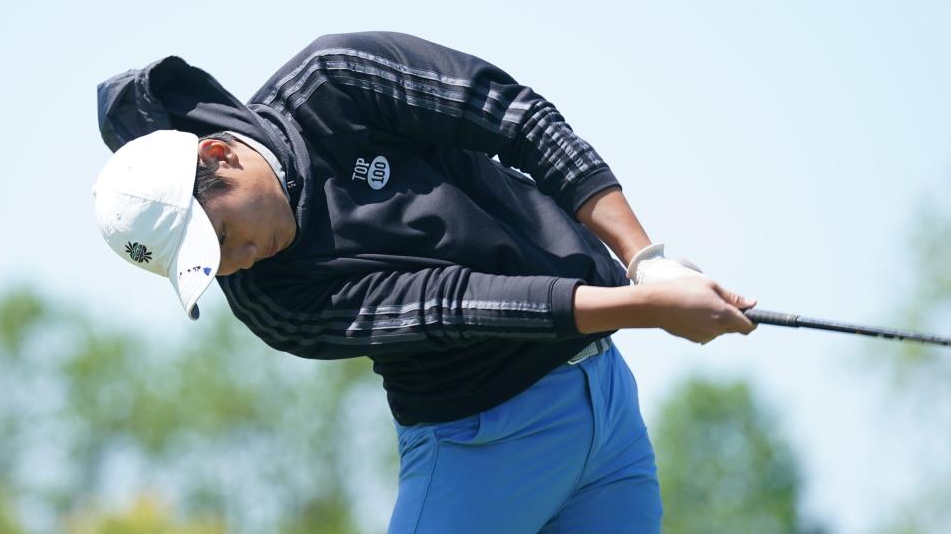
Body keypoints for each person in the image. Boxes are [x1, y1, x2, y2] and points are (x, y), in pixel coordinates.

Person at [92, 31, 757, 533]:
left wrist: (649, 262)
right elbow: (453, 305)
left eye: (220, 239)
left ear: (221, 155)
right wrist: (644, 307)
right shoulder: (272, 303)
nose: (232, 265)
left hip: (606, 404)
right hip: (479, 448)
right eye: (207, 268)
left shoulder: (330, 83)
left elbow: (515, 120)